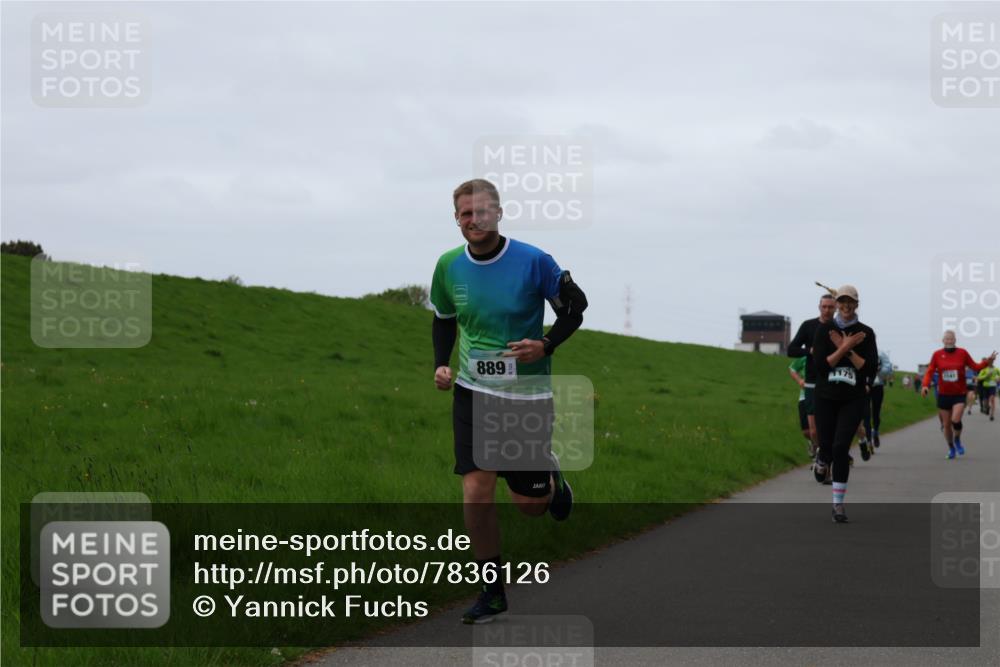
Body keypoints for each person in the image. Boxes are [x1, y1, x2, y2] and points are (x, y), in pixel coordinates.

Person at [431, 178, 586, 624]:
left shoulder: (534, 261)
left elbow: (575, 305)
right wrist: (442, 364)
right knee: (476, 490)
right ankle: (492, 591)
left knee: (530, 507)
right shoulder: (447, 266)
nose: (473, 220)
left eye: (481, 211)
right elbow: (443, 320)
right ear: (456, 218)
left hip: (526, 396)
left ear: (498, 213)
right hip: (473, 391)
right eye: (464, 213)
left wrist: (547, 344)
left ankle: (550, 478)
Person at [812, 285, 878, 523]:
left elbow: (869, 369)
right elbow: (821, 366)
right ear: (837, 303)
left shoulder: (866, 333)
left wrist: (849, 349)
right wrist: (843, 347)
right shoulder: (824, 330)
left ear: (857, 304)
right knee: (828, 446)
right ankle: (821, 457)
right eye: (842, 301)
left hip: (853, 398)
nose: (846, 306)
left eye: (850, 301)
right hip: (826, 397)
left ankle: (838, 505)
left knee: (841, 448)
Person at [920, 331, 997, 459]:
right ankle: (951, 448)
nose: (949, 341)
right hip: (944, 394)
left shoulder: (962, 353)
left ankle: (957, 440)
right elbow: (929, 371)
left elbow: (975, 366)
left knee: (955, 420)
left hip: (959, 394)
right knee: (946, 425)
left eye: (951, 339)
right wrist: (925, 386)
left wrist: (987, 361)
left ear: (955, 340)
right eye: (947, 339)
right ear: (943, 340)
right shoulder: (937, 355)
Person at [788, 293, 836, 479]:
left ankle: (828, 467)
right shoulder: (808, 326)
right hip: (811, 383)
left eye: (830, 307)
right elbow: (791, 349)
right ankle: (820, 455)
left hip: (832, 382)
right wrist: (810, 350)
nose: (827, 310)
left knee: (830, 429)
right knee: (814, 430)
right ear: (819, 307)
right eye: (824, 307)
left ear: (835, 308)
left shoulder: (839, 327)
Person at [863, 351, 893, 449]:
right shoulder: (860, 351)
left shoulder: (880, 353)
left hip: (877, 385)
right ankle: (868, 438)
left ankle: (875, 431)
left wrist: (878, 370)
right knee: (866, 413)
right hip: (864, 386)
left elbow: (888, 367)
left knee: (876, 412)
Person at [789, 356, 813, 456]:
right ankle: (813, 443)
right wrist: (799, 381)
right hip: (804, 396)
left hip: (821, 396)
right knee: (806, 431)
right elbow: (792, 368)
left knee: (820, 430)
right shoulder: (805, 357)